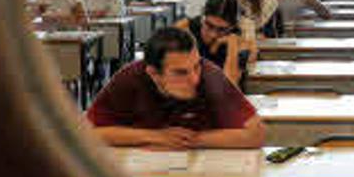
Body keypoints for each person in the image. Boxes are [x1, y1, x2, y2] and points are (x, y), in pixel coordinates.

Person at [84, 26, 265, 149]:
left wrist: (193, 139)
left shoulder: (210, 75)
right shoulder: (130, 79)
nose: (194, 79)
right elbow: (86, 133)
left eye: (196, 66)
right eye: (181, 73)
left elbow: (256, 133)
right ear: (153, 74)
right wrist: (154, 137)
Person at [175, 0, 252, 86]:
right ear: (203, 16)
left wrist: (232, 44)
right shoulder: (184, 28)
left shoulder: (240, 39)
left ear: (232, 26)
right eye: (209, 25)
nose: (213, 35)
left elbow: (229, 88)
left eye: (222, 29)